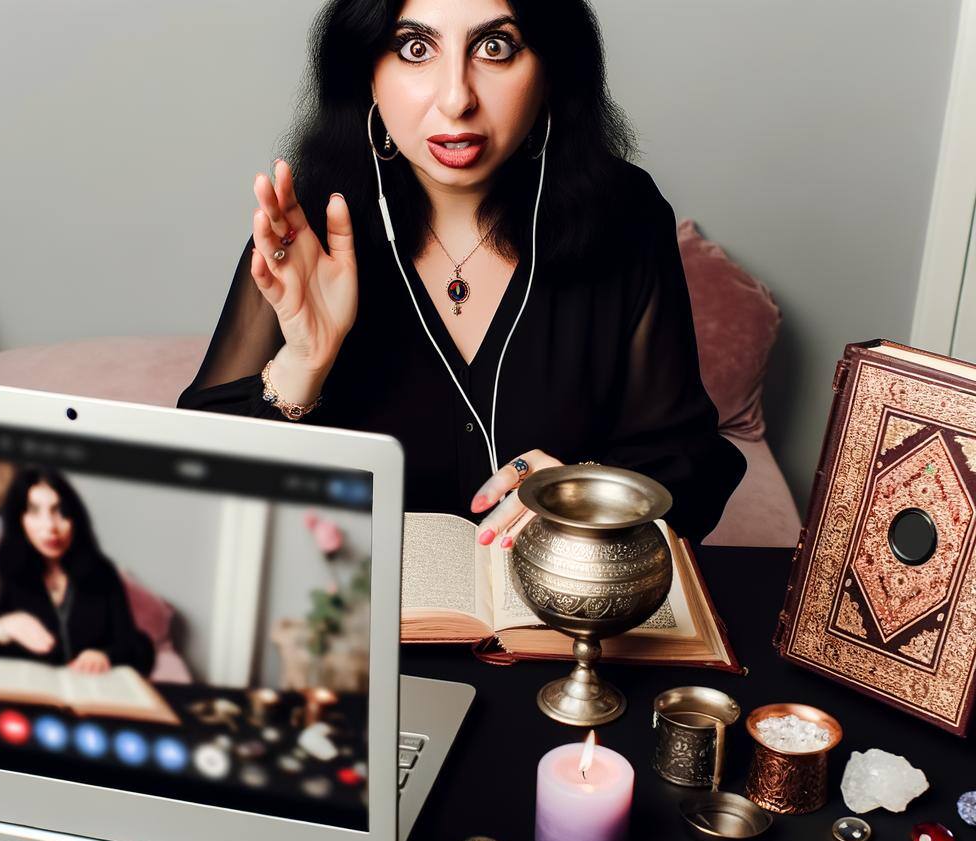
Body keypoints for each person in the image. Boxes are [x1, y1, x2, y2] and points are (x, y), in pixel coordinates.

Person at [178, 0, 747, 545]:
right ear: (367, 72)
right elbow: (190, 490)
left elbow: (688, 463)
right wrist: (303, 364)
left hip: (563, 624)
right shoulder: (308, 226)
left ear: (550, 69)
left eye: (496, 46)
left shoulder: (627, 213)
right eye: (415, 47)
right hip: (348, 629)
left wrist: (575, 491)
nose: (456, 99)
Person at [0, 467, 155, 676]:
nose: (50, 526)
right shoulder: (6, 565)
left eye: (59, 511)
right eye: (34, 511)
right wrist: (2, 627)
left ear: (75, 519)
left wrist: (105, 655)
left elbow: (137, 647)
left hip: (88, 693)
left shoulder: (101, 571)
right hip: (27, 691)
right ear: (20, 519)